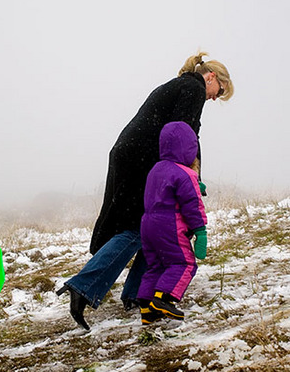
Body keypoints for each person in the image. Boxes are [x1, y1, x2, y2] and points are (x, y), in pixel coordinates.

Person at [57, 52, 233, 330]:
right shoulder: (193, 88)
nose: (213, 98)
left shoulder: (175, 85)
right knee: (138, 228)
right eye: (218, 92)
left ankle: (138, 294)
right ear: (211, 77)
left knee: (150, 226)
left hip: (131, 156)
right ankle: (84, 285)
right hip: (142, 160)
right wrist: (191, 175)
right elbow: (183, 133)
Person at [136, 121, 208, 325]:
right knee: (184, 263)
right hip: (169, 224)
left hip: (147, 223)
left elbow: (167, 187)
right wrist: (200, 231)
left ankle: (147, 307)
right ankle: (164, 299)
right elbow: (192, 204)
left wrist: (196, 184)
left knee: (157, 265)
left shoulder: (156, 169)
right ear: (189, 147)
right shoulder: (185, 174)